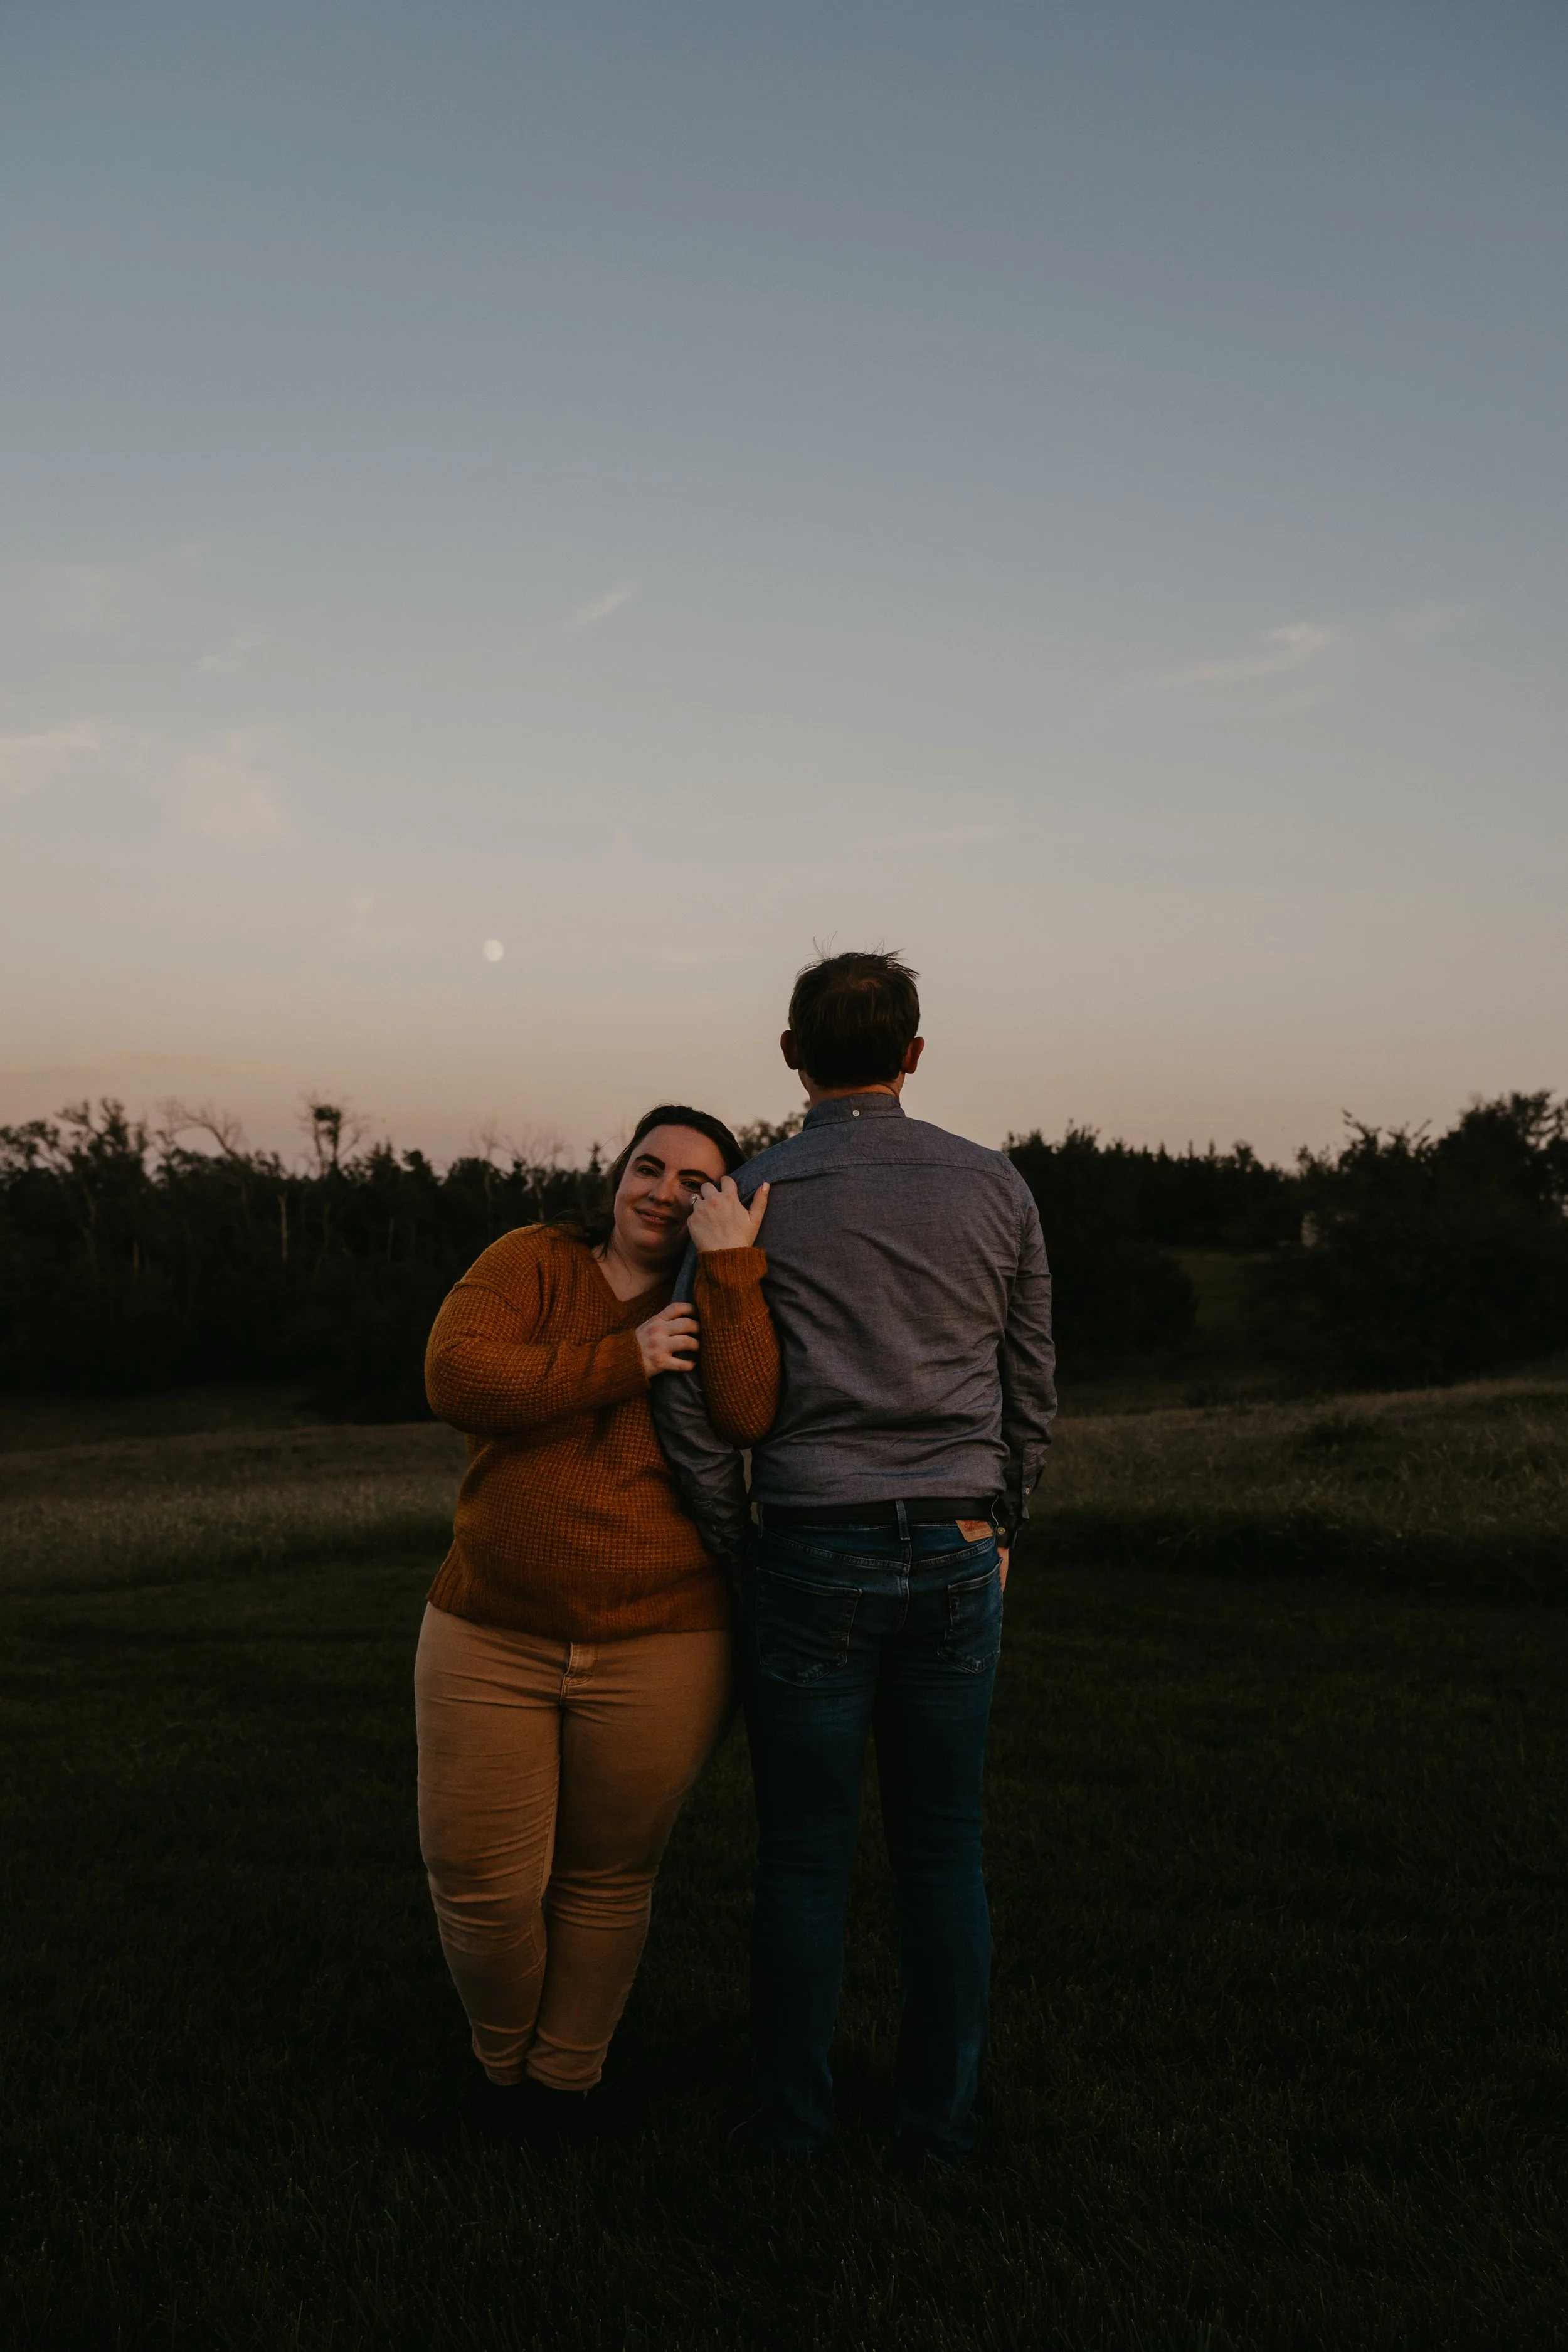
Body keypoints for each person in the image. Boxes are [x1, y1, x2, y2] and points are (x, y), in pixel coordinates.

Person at [652, 953, 1057, 2167]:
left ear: (791, 1054)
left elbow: (690, 1398)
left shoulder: (748, 1195)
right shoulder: (996, 1186)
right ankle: (940, 2126)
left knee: (803, 1858)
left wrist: (741, 1538)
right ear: (914, 1055)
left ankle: (790, 2123)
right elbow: (1030, 1384)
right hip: (958, 1542)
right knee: (943, 1849)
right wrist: (1002, 1523)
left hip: (808, 1547)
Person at [415, 1104, 777, 2143]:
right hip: (491, 1626)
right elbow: (456, 1375)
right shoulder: (535, 1260)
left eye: (696, 1182)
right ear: (618, 1174)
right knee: (480, 1884)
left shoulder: (720, 1290)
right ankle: (502, 2065)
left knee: (607, 1877)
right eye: (648, 1167)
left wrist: (731, 1272)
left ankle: (562, 2087)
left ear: (721, 1202)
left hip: (666, 1638)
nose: (664, 1192)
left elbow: (749, 1412)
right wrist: (627, 1357)